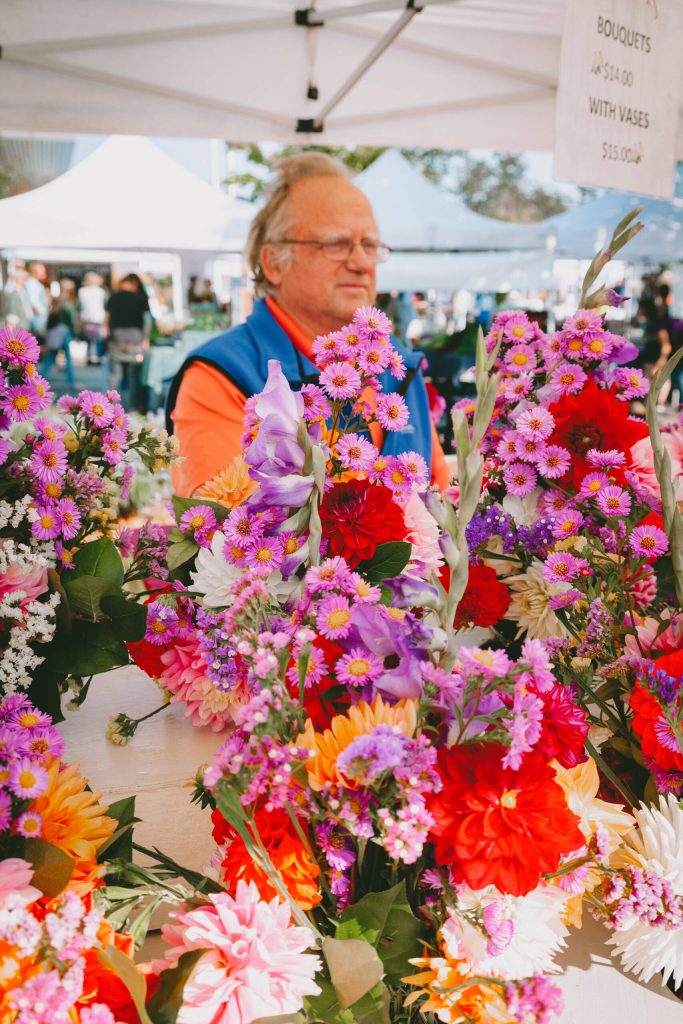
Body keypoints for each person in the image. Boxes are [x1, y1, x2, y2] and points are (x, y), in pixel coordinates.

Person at [167, 152, 449, 497]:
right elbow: (225, 538)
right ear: (273, 263)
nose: (362, 263)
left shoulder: (402, 369)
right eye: (336, 243)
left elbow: (444, 518)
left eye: (370, 244)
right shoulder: (220, 376)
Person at [104, 272, 152, 413]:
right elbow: (147, 321)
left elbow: (105, 320)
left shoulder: (113, 298)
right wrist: (145, 340)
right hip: (135, 343)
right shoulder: (141, 299)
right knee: (133, 379)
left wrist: (107, 337)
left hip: (115, 342)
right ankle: (131, 409)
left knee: (115, 378)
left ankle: (110, 409)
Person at [42, 280, 77, 388]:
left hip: (54, 334)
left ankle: (39, 378)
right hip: (64, 333)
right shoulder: (68, 304)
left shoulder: (55, 302)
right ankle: (72, 381)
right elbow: (71, 321)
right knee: (68, 358)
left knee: (51, 357)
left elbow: (49, 322)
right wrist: (74, 333)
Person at [78, 271, 107, 364]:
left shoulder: (81, 291)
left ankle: (89, 356)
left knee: (88, 339)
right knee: (98, 339)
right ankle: (98, 357)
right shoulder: (101, 292)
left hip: (86, 319)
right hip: (99, 318)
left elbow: (78, 307)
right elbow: (105, 306)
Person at [1, 263, 32, 329]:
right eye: (24, 278)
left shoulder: (22, 291)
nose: (25, 280)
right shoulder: (13, 293)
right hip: (17, 328)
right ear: (19, 279)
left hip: (22, 326)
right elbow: (11, 315)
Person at [24, 261, 50, 340]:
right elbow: (33, 303)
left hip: (39, 321)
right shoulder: (31, 284)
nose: (44, 272)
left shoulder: (35, 283)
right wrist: (42, 314)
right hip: (37, 322)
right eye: (41, 270)